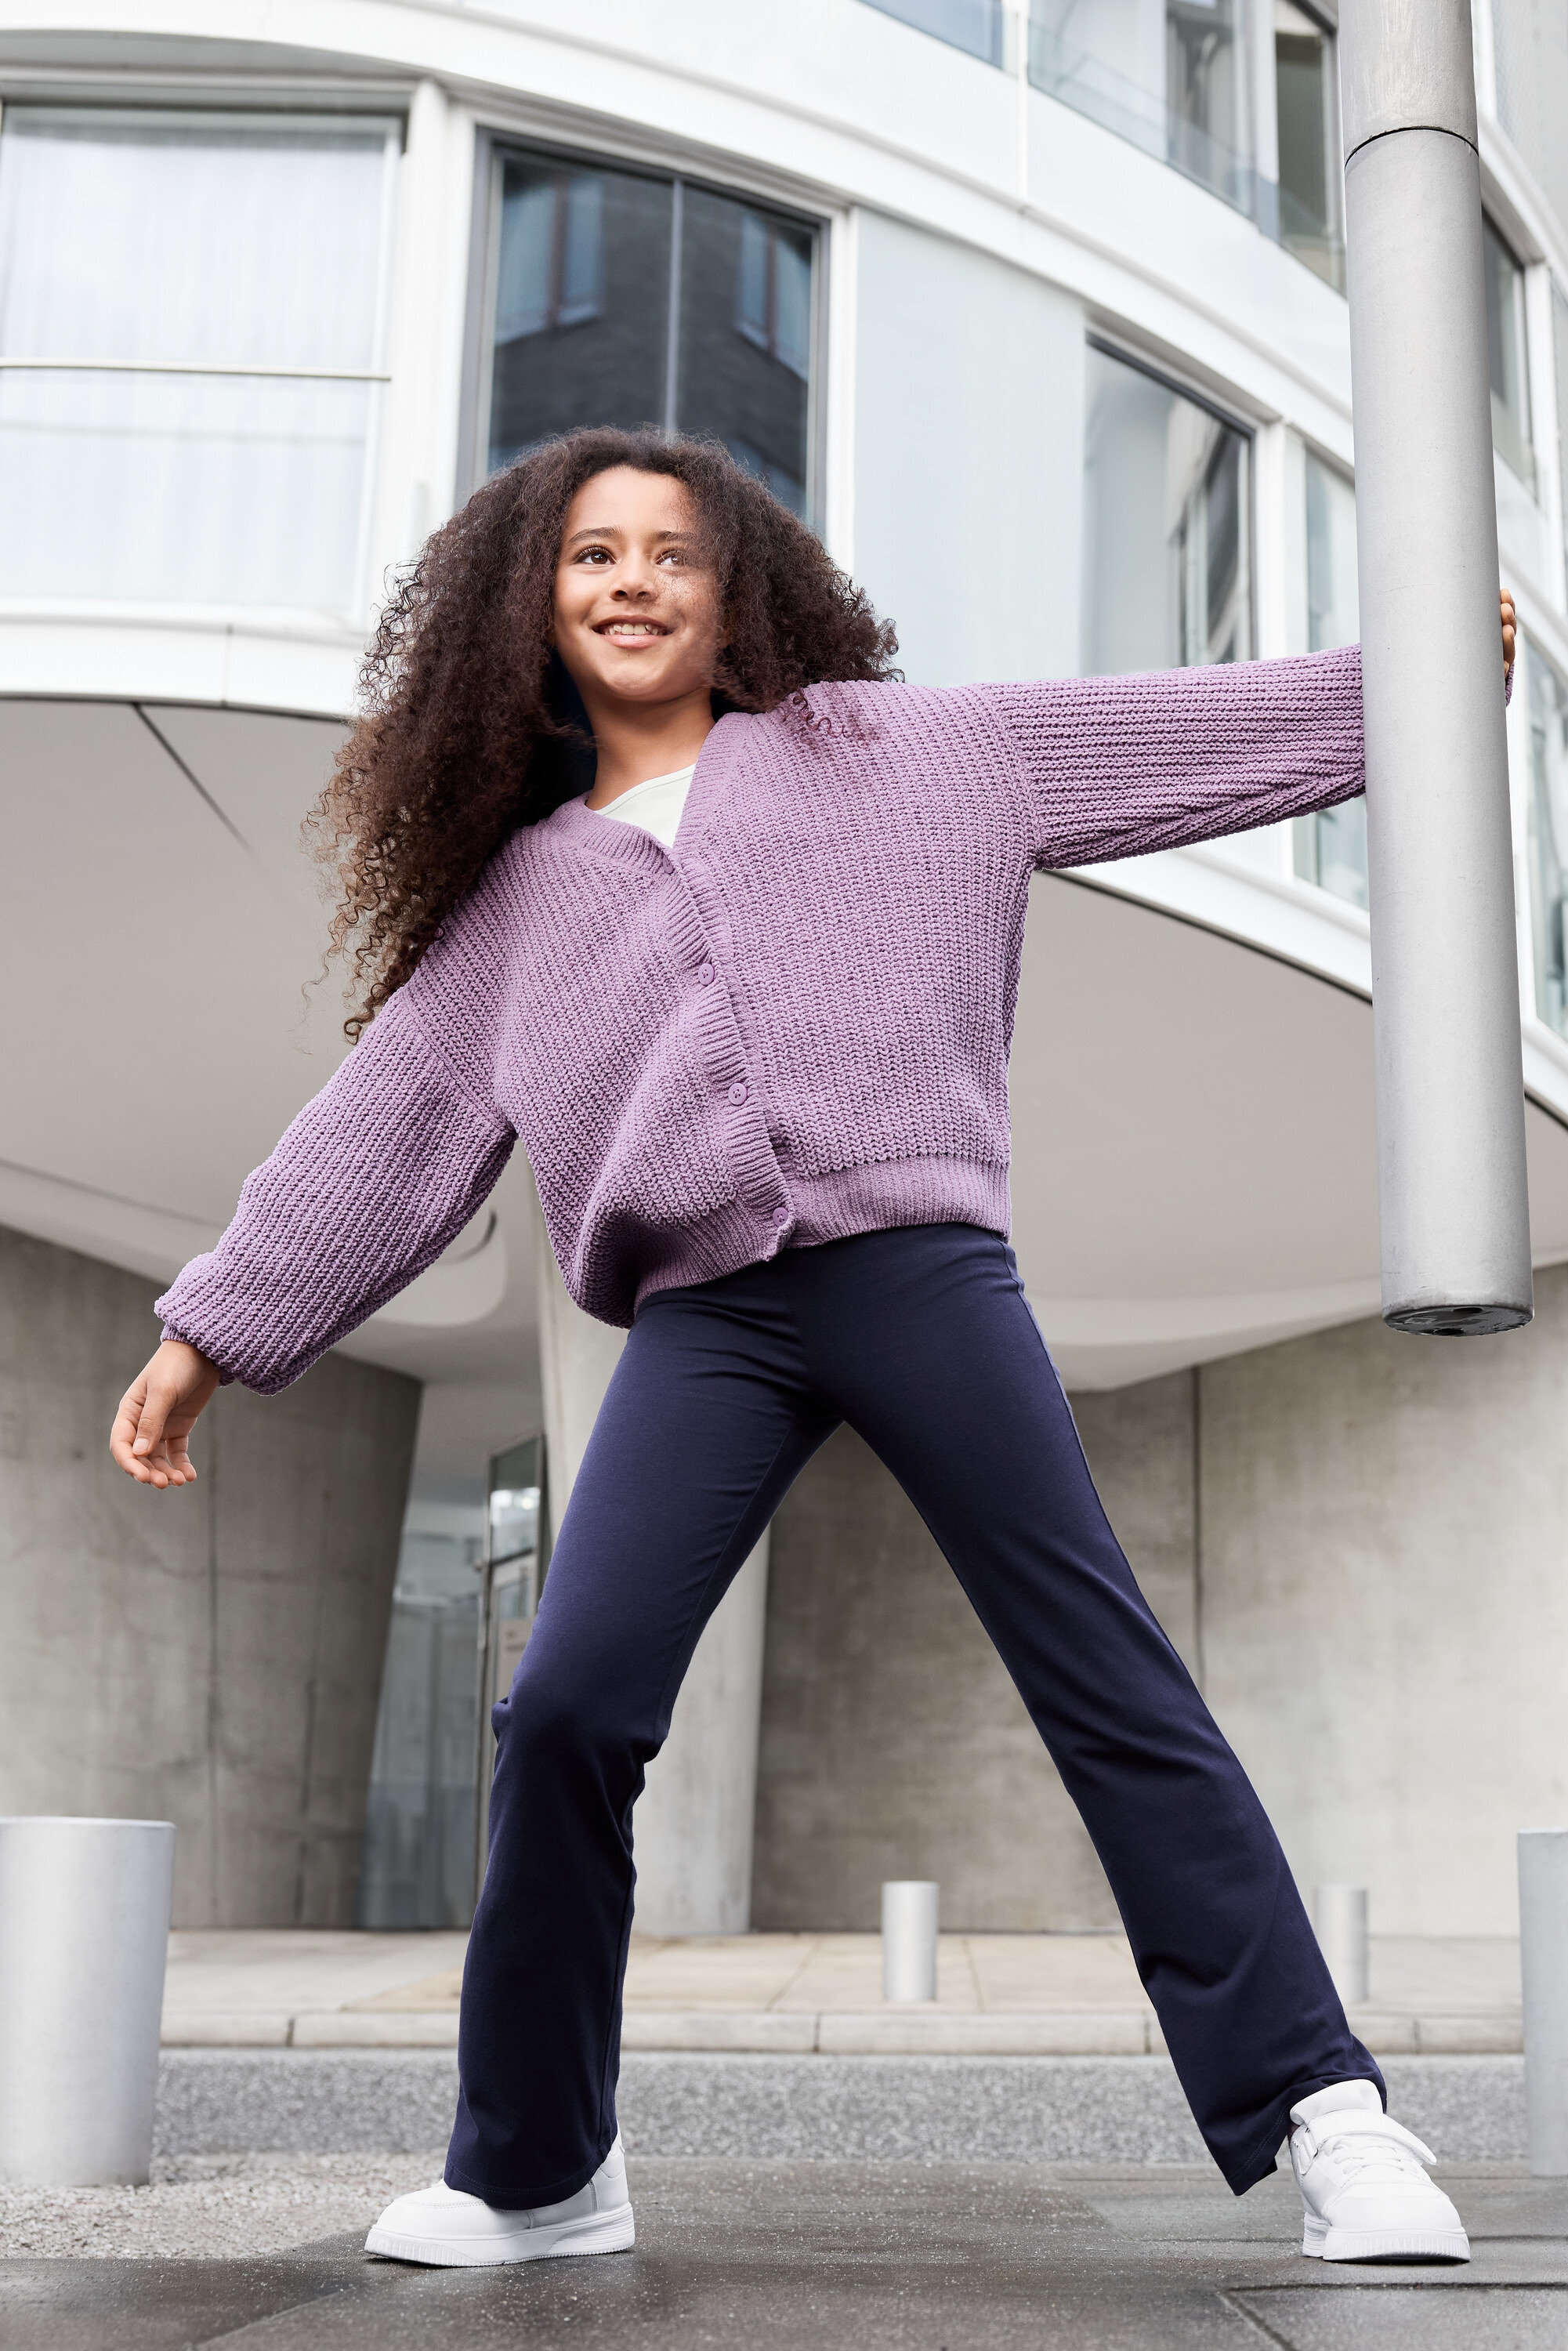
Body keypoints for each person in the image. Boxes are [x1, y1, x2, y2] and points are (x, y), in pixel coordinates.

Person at [111, 429, 1517, 2271]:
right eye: (590, 554)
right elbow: (375, 1135)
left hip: (917, 1270)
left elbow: (1171, 734)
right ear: (525, 606)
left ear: (734, 593)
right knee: (567, 1707)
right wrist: (211, 1332)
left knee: (1102, 1677)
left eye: (671, 555)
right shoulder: (518, 904)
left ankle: (1327, 2116)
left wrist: (1405, 683)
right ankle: (536, 2170)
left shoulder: (899, 752)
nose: (630, 580)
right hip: (705, 1322)